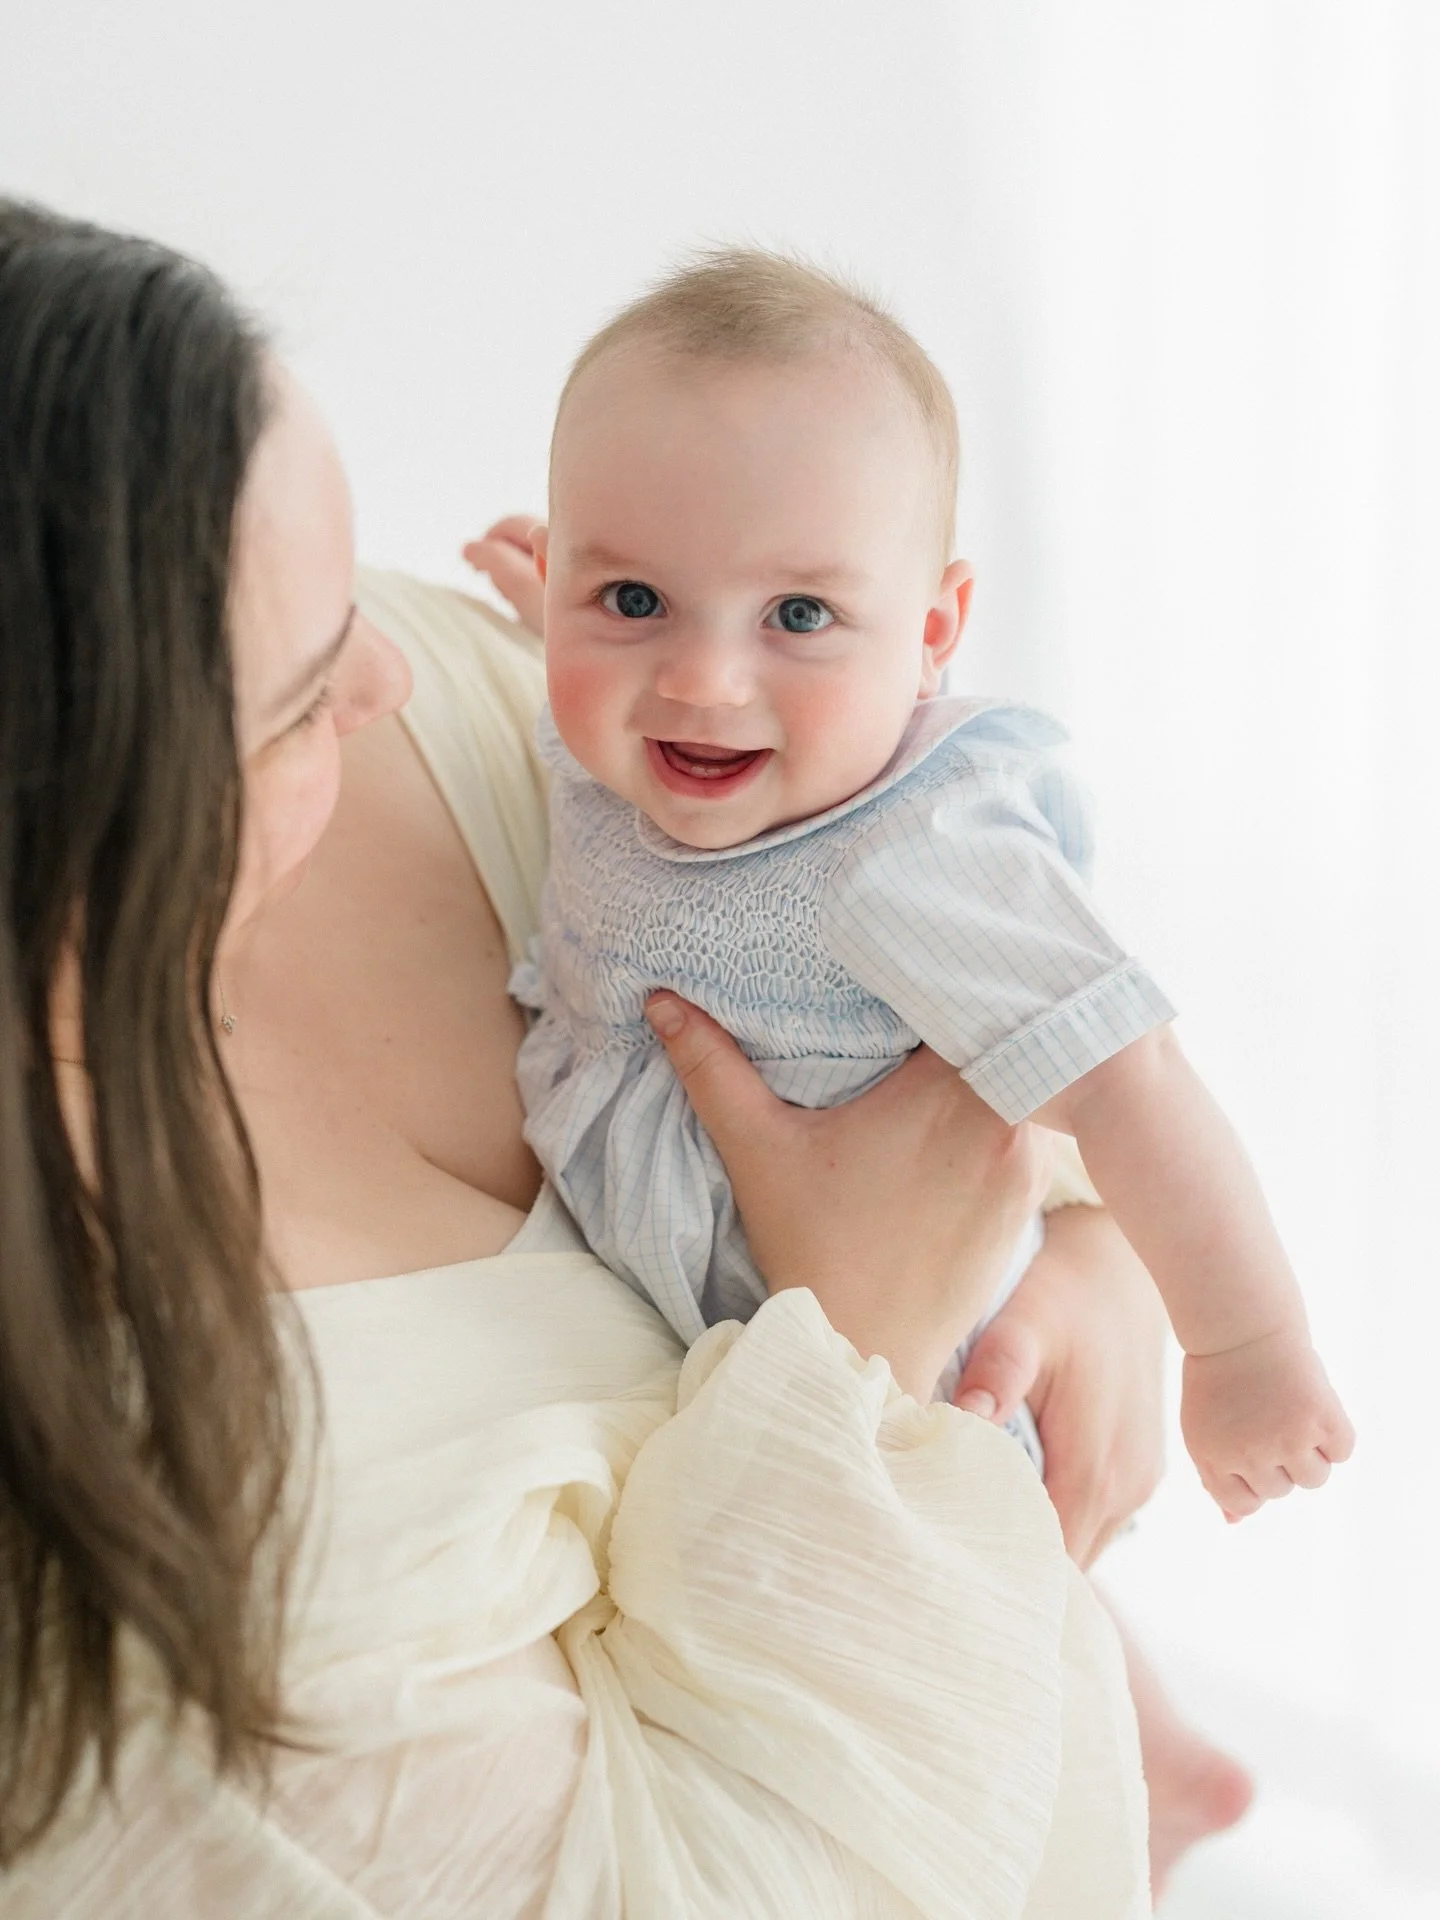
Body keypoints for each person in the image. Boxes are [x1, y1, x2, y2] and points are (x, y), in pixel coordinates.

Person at [0, 200, 1189, 1916]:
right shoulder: (127, 1672)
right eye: (301, 683)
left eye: (356, 597)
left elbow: (900, 908)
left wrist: (1097, 1236)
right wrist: (851, 1338)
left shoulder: (461, 712)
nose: (394, 668)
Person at [506, 247, 1354, 1523]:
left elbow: (1136, 1079)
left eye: (797, 616)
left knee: (970, 1595)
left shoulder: (915, 857)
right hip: (687, 1326)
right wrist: (549, 606)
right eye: (636, 596)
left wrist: (1243, 1346)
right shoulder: (622, 738)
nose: (703, 681)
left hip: (908, 1380)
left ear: (933, 635)